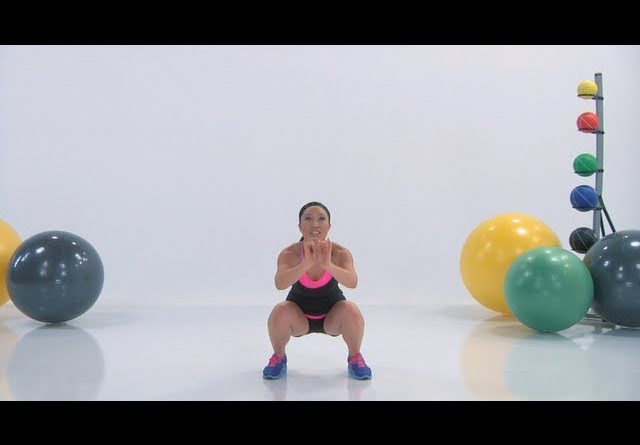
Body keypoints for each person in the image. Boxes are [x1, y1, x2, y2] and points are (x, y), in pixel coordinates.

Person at [262, 201, 372, 380]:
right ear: (300, 226)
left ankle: (355, 358)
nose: (315, 224)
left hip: (331, 319)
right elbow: (279, 283)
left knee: (351, 310)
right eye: (308, 218)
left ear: (329, 225)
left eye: (321, 219)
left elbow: (353, 282)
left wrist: (327, 265)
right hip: (299, 319)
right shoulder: (290, 254)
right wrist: (306, 264)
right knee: (279, 311)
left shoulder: (340, 253)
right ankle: (278, 358)